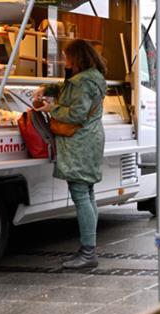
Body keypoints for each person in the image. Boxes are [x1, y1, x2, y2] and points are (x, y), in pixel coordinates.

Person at [33, 39, 107, 269]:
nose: (65, 61)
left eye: (67, 57)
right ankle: (88, 248)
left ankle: (88, 253)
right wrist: (49, 88)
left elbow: (75, 113)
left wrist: (50, 108)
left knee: (80, 194)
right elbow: (70, 91)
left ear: (77, 58)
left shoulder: (81, 82)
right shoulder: (95, 77)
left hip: (79, 143)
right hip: (91, 139)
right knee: (88, 193)